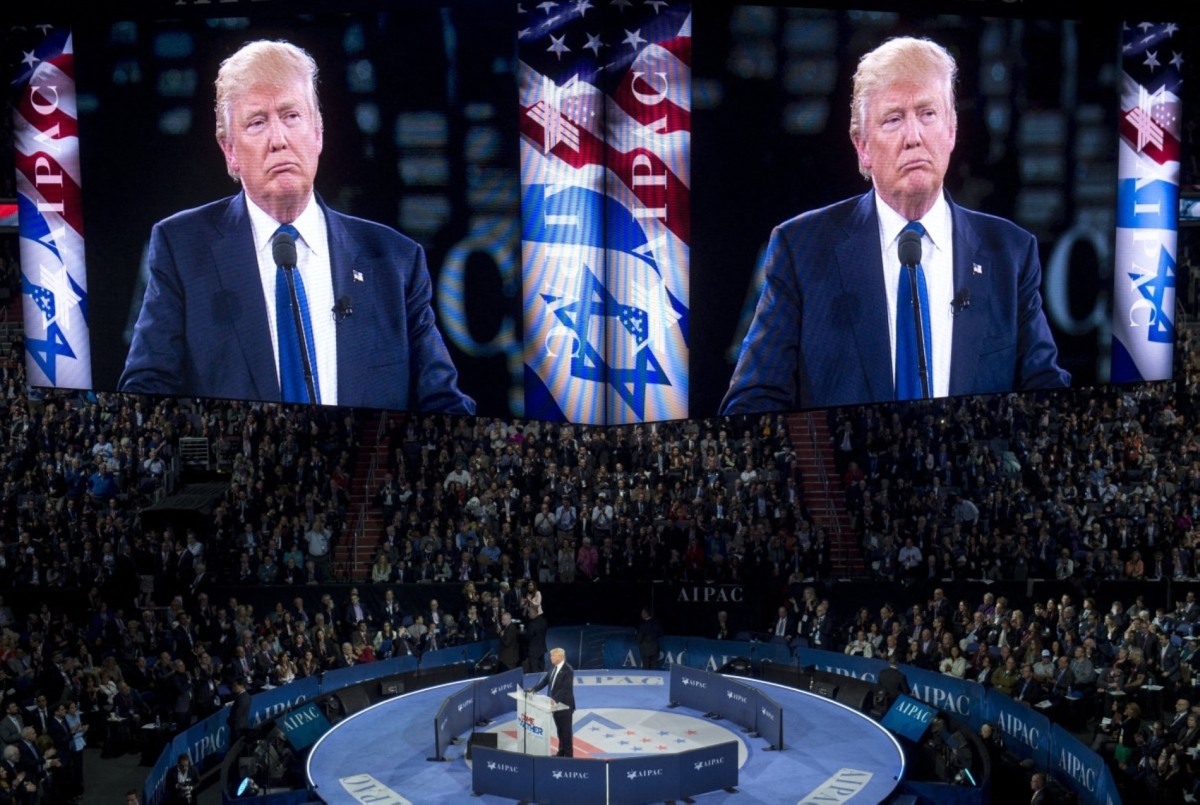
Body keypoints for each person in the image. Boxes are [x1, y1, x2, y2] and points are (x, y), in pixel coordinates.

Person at [119, 39, 474, 414]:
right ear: (230, 150)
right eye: (257, 122)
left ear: (318, 133)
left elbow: (442, 402)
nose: (279, 139)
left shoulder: (395, 261)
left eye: (291, 116)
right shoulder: (183, 249)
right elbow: (146, 392)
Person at [721, 36, 1068, 413]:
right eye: (893, 119)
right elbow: (752, 403)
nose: (914, 137)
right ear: (863, 147)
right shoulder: (801, 249)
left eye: (928, 114)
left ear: (951, 130)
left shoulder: (1010, 252)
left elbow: (1046, 394)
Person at [526, 647, 575, 757]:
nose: (551, 658)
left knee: (566, 732)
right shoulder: (552, 667)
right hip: (554, 706)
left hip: (564, 706)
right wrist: (534, 689)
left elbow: (565, 688)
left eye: (553, 656)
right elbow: (545, 681)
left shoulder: (568, 670)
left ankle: (568, 755)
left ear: (560, 657)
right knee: (560, 731)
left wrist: (555, 699)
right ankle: (561, 752)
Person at [227, 677, 251, 746]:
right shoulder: (247, 696)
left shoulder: (241, 699)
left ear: (241, 686)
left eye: (235, 686)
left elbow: (237, 715)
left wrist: (228, 720)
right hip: (242, 725)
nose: (233, 688)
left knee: (235, 747)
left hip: (237, 728)